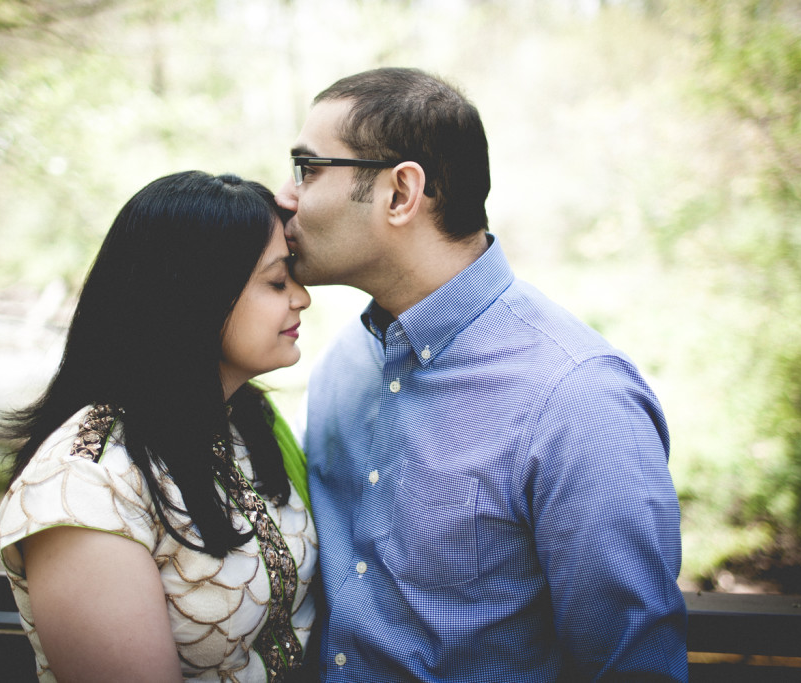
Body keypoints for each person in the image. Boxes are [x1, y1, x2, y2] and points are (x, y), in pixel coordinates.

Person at [274, 67, 688, 681]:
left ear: (399, 194)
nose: (286, 194)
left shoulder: (577, 398)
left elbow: (631, 667)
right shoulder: (342, 365)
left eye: (308, 168)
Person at [0, 170, 317, 682]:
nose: (300, 297)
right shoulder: (84, 486)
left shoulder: (245, 420)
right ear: (195, 297)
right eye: (278, 281)